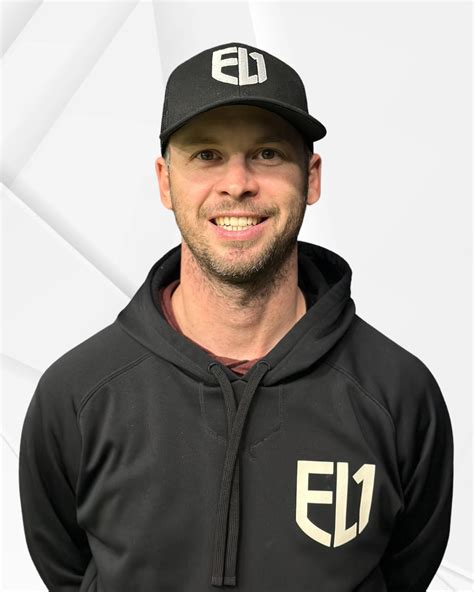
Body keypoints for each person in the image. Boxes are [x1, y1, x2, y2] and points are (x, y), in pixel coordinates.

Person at [19, 42, 453, 592]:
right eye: (206, 155)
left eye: (268, 153)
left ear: (312, 177)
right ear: (165, 181)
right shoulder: (78, 393)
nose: (237, 183)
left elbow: (404, 572)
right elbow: (66, 568)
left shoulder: (397, 393)